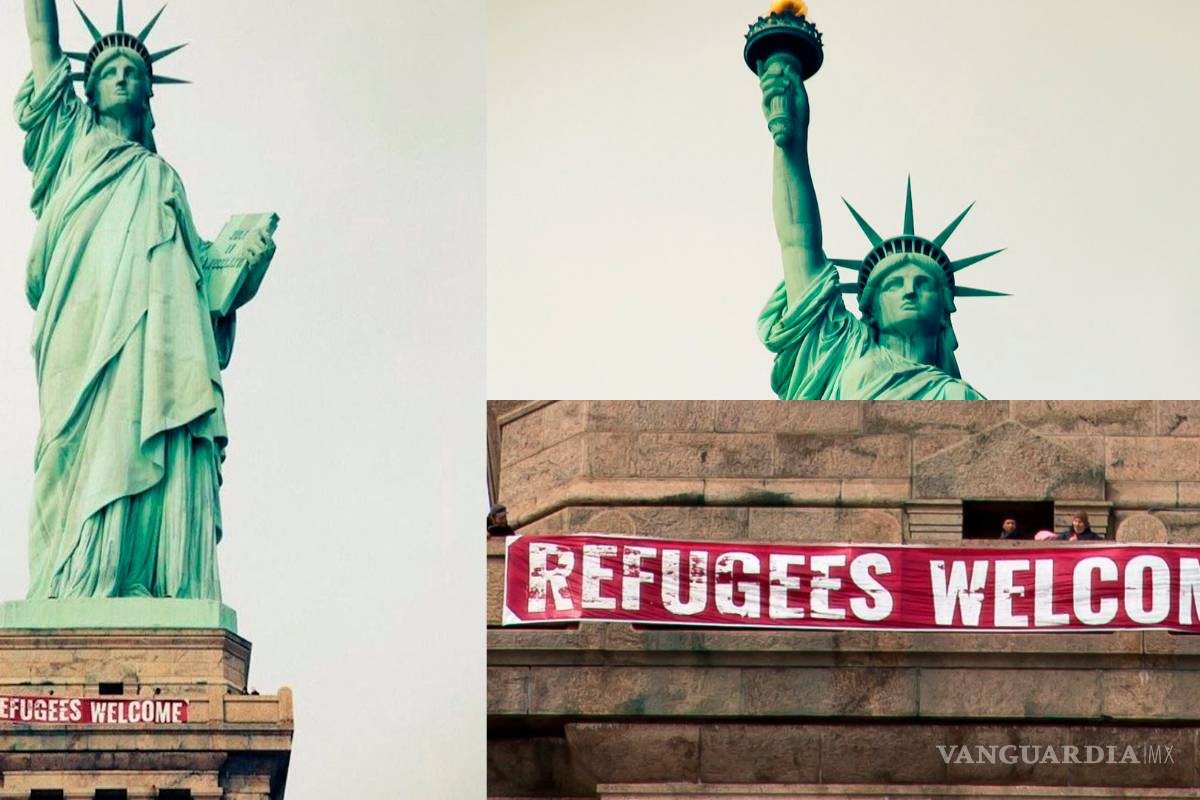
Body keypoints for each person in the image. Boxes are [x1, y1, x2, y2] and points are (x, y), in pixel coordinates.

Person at [16, 0, 275, 599]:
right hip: (80, 323)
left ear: (148, 92)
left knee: (147, 429)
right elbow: (40, 32)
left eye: (134, 71)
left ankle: (140, 573)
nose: (123, 76)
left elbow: (199, 288)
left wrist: (243, 269)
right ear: (88, 87)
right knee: (70, 444)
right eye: (109, 70)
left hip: (157, 338)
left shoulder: (163, 179)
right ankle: (72, 576)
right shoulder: (70, 138)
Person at [754, 53, 1004, 399]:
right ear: (870, 310)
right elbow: (798, 244)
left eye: (923, 284)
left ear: (945, 312)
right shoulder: (841, 352)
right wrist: (791, 144)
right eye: (893, 285)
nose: (909, 291)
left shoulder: (964, 399)